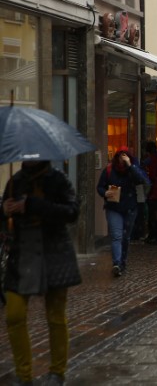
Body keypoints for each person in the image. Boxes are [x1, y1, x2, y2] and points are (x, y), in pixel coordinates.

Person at [3, 161, 82, 386]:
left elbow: (71, 211)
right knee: (14, 315)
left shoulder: (58, 180)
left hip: (54, 254)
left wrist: (34, 205)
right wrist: (5, 210)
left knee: (55, 316)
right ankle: (23, 375)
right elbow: (4, 220)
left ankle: (57, 372)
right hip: (23, 256)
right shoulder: (15, 182)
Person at [96, 147, 150, 276]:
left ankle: (122, 261)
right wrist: (105, 193)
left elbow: (142, 180)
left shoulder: (133, 170)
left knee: (125, 237)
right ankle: (116, 263)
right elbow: (100, 187)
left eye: (125, 156)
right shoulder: (109, 170)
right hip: (113, 207)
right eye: (120, 156)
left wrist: (130, 166)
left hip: (130, 208)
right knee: (116, 236)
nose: (122, 159)